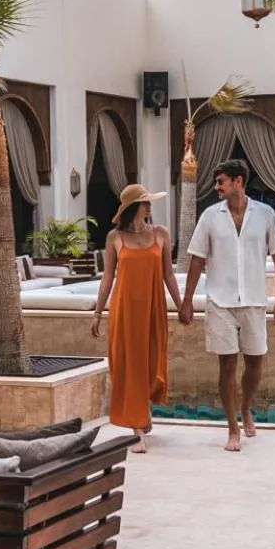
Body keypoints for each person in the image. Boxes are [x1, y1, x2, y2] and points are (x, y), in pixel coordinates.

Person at [178, 158, 275, 451]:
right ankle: (232, 428)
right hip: (219, 301)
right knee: (226, 363)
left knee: (255, 362)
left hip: (253, 300)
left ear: (237, 182)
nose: (216, 187)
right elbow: (197, 259)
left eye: (221, 182)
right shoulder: (209, 217)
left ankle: (246, 407)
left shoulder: (265, 215)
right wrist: (187, 300)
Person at [91, 184, 183, 453]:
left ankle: (143, 409)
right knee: (131, 365)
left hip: (153, 308)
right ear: (133, 207)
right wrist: (98, 313)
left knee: (152, 362)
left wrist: (181, 306)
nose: (149, 206)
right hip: (125, 309)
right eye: (144, 202)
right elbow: (108, 277)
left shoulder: (161, 234)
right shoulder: (114, 238)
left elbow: (169, 275)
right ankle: (137, 428)